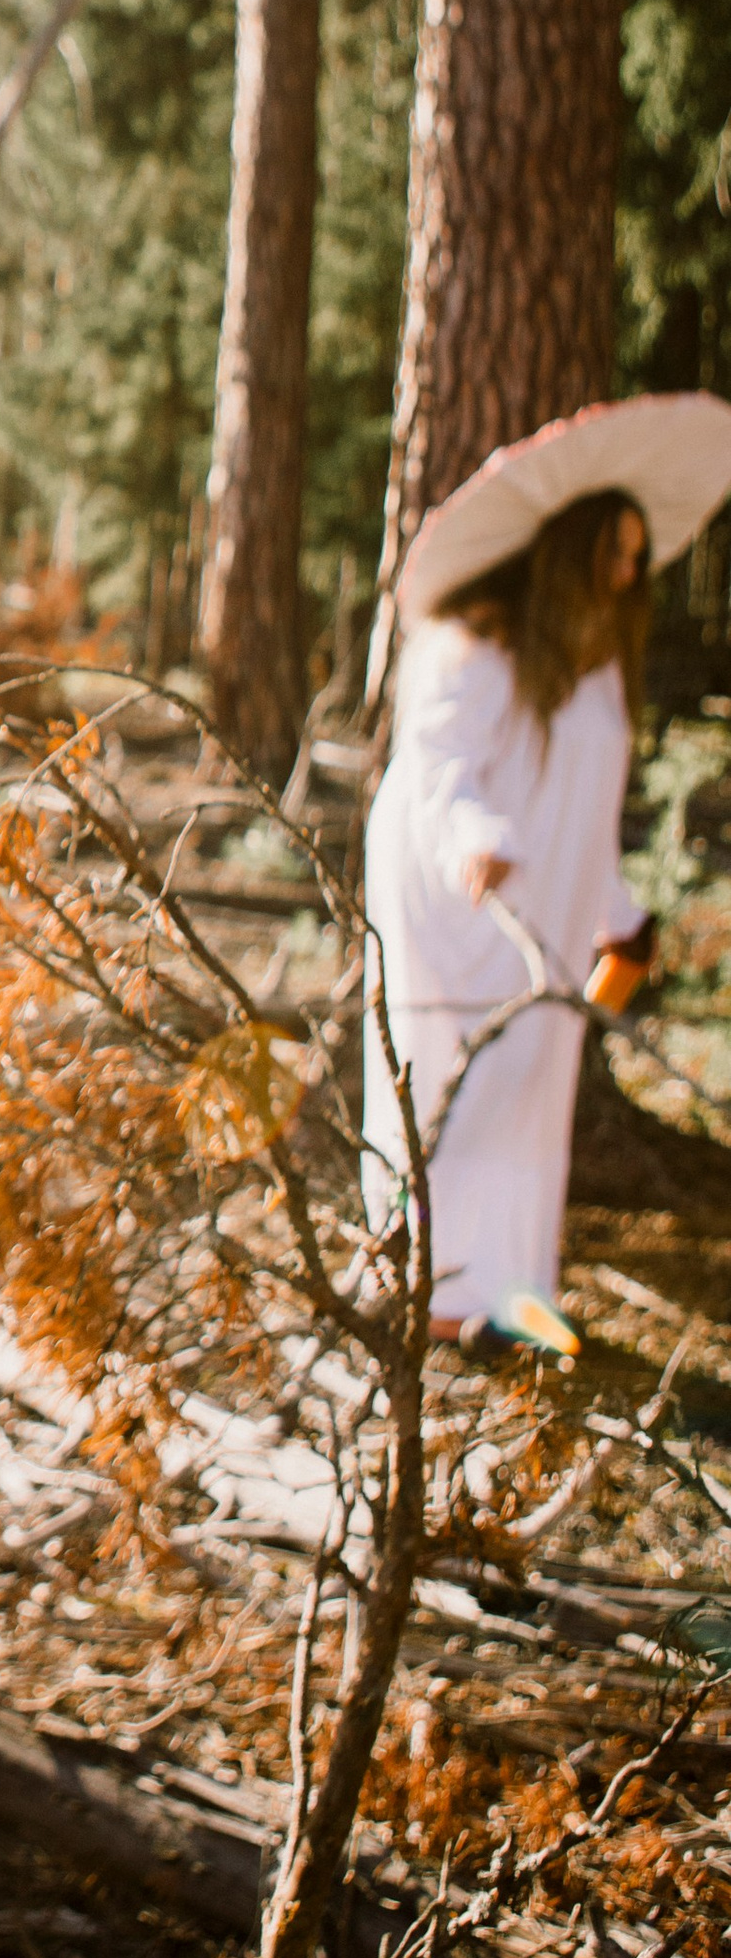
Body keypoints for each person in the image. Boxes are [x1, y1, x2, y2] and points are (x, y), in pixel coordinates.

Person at [363, 487, 654, 1355]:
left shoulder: (600, 666)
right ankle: (419, 1280)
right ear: (570, 552)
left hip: (549, 913)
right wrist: (474, 837)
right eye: (612, 551)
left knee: (531, 1087)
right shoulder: (484, 639)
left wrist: (618, 914)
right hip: (460, 899)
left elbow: (585, 810)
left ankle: (507, 1290)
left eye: (637, 556)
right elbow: (436, 758)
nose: (627, 572)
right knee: (451, 1074)